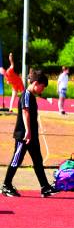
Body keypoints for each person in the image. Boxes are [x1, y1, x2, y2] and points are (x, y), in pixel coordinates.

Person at [1, 69, 59, 198]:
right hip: (24, 135)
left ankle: (45, 187)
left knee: (38, 161)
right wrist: (28, 131)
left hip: (32, 135)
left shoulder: (32, 96)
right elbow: (25, 112)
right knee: (17, 160)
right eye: (42, 87)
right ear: (36, 83)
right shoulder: (26, 94)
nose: (42, 90)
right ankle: (6, 185)